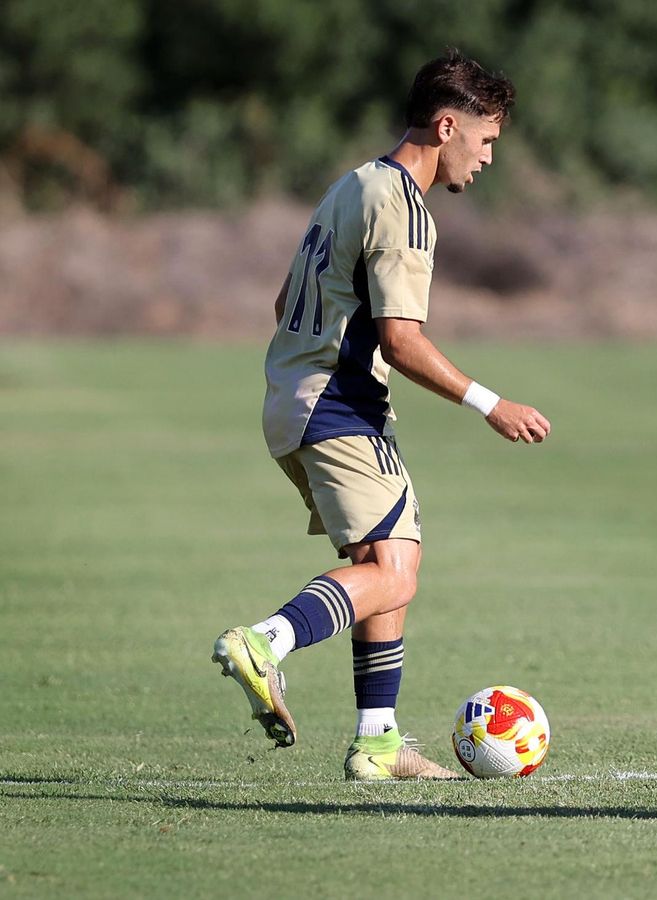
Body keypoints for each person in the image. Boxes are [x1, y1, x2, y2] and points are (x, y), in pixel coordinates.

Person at [211, 49, 552, 781]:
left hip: (292, 399)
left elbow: (283, 303)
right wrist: (491, 404)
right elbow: (401, 340)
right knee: (397, 573)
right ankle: (264, 642)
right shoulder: (402, 204)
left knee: (382, 562)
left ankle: (378, 743)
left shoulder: (352, 184)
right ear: (447, 124)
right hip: (339, 405)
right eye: (486, 140)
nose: (488, 157)